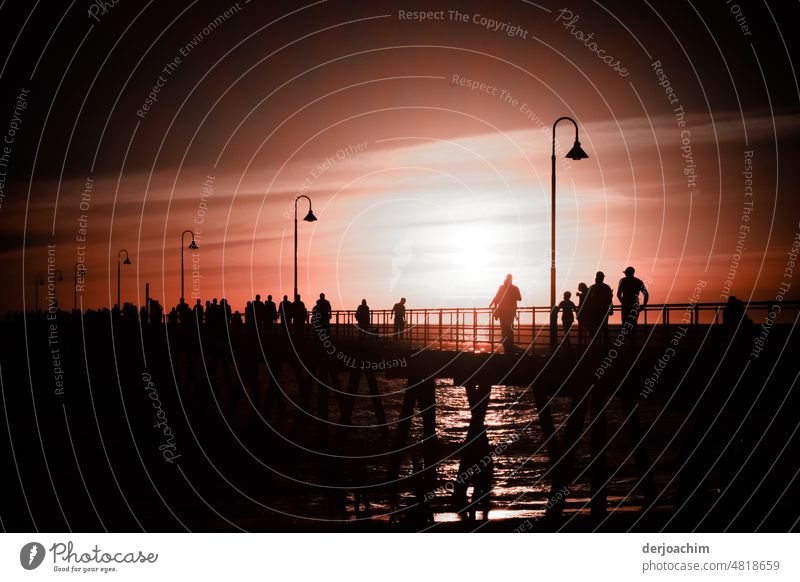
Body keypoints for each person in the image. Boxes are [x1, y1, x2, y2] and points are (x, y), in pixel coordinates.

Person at [490, 274, 522, 354]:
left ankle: (507, 345)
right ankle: (509, 345)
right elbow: (519, 298)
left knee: (504, 328)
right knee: (508, 328)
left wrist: (494, 307)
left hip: (503, 311)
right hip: (510, 311)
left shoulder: (502, 287)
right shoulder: (514, 288)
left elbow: (496, 298)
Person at [617, 266, 649, 345]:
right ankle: (632, 343)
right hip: (635, 306)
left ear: (627, 273)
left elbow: (618, 294)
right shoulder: (638, 281)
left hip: (626, 306)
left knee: (625, 324)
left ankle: (628, 343)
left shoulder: (623, 281)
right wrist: (643, 305)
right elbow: (646, 294)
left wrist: (623, 302)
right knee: (633, 325)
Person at [586, 271, 613, 349]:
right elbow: (610, 299)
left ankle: (596, 344)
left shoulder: (592, 287)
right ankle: (605, 345)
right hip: (604, 310)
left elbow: (588, 300)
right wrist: (611, 309)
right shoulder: (606, 287)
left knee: (595, 327)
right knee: (604, 327)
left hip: (594, 311)